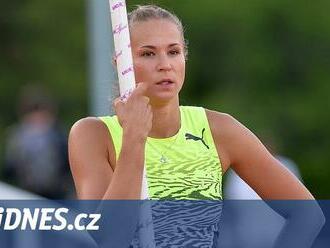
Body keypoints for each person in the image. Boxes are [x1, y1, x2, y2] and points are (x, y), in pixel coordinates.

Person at [68, 5, 324, 248]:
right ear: (121, 64)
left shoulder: (219, 130)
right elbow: (109, 239)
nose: (164, 64)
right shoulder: (92, 135)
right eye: (148, 53)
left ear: (184, 57)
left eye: (173, 51)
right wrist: (134, 138)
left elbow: (307, 214)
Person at [4, 84, 71, 199]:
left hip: (49, 194)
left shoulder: (16, 136)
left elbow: (9, 168)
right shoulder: (58, 133)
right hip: (46, 194)